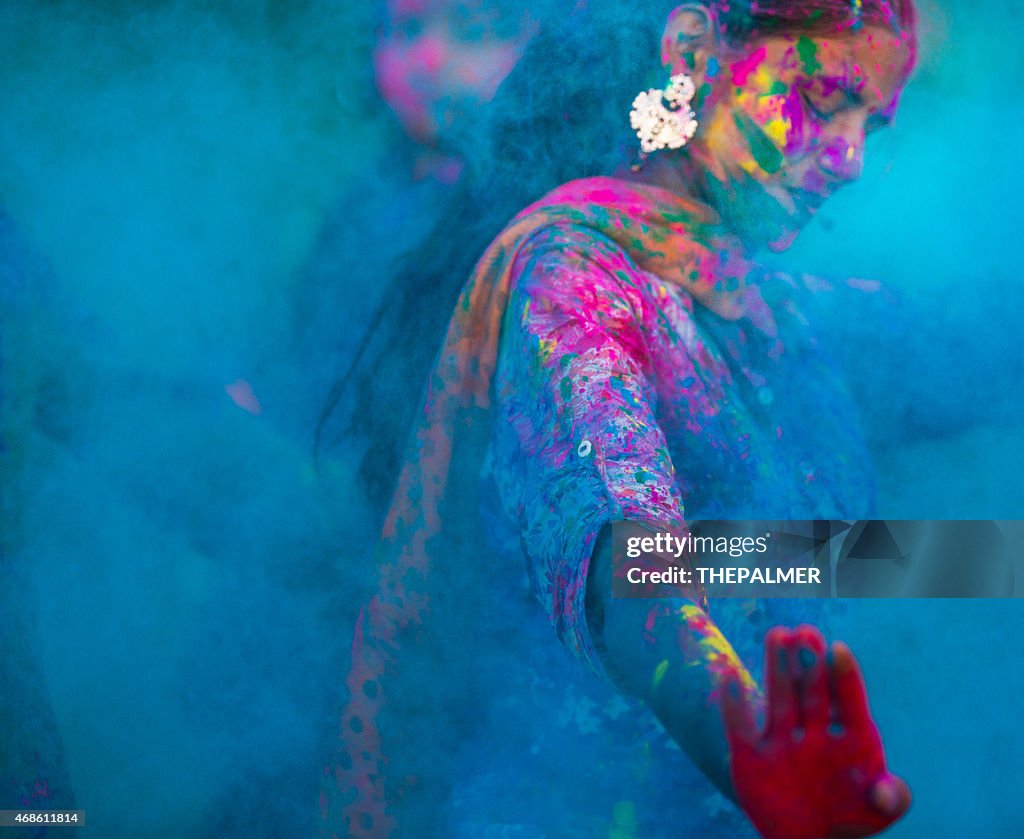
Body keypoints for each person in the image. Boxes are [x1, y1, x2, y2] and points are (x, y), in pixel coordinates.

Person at [319, 2, 918, 836]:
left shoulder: (767, 305)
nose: (851, 159)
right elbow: (638, 568)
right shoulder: (575, 280)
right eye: (822, 101)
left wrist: (972, 559)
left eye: (873, 126)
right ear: (695, 51)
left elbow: (789, 548)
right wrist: (749, 745)